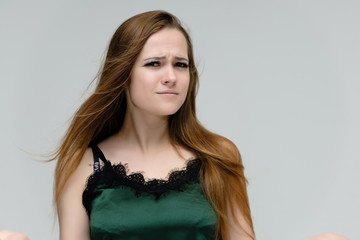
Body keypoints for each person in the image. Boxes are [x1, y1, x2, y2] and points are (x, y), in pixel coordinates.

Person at [0, 10, 351, 240]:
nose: (171, 77)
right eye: (154, 64)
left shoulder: (218, 155)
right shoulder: (83, 162)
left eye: (180, 65)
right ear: (123, 76)